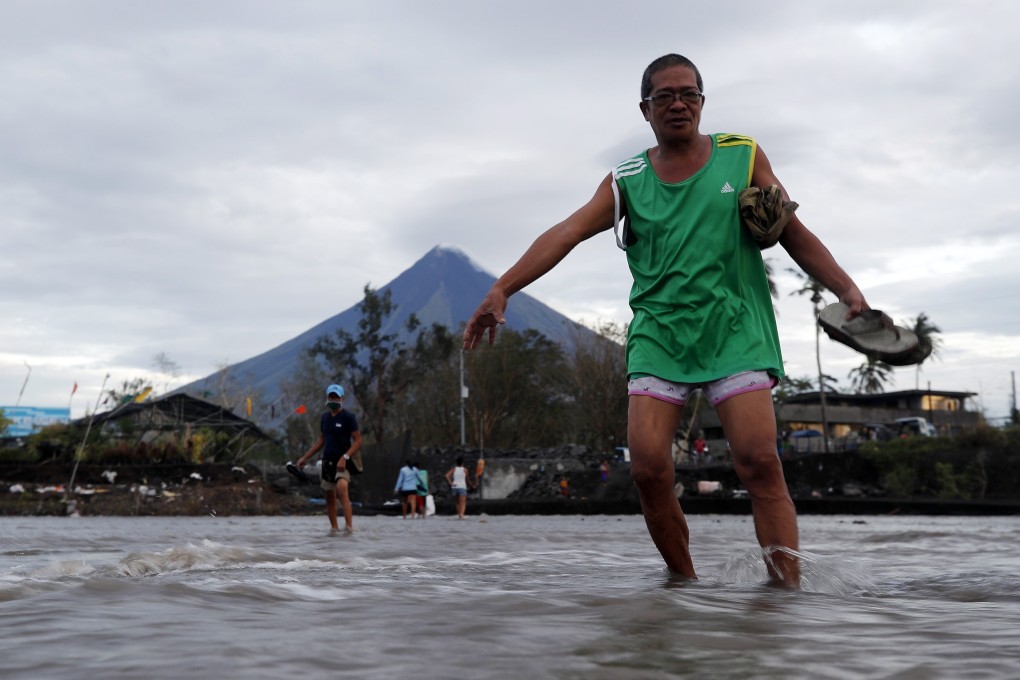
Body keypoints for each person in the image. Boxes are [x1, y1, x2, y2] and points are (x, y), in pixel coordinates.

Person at [463, 53, 869, 587]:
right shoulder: (627, 179)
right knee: (648, 469)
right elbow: (564, 232)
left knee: (758, 462)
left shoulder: (742, 155)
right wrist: (502, 288)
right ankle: (684, 586)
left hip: (734, 327)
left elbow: (792, 231)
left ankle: (784, 594)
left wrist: (847, 289)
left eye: (688, 94)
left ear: (702, 102)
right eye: (664, 97)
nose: (678, 104)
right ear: (645, 109)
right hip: (659, 334)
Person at [296, 384, 361, 535]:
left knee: (342, 489)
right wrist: (304, 458)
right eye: (331, 397)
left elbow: (358, 441)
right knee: (330, 497)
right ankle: (334, 529)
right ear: (327, 398)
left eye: (336, 397)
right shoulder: (324, 418)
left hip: (343, 462)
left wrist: (345, 457)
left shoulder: (348, 417)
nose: (333, 399)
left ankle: (349, 528)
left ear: (342, 398)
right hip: (327, 462)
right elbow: (321, 440)